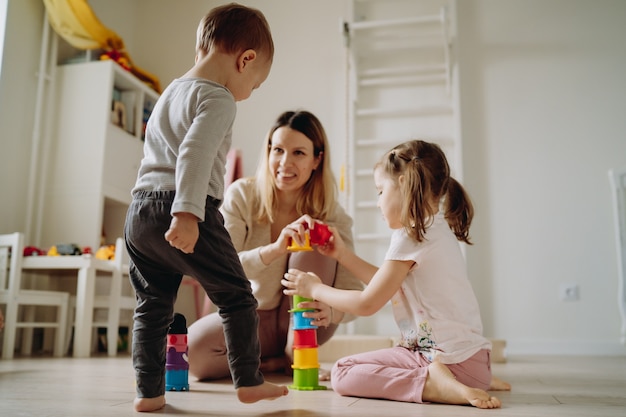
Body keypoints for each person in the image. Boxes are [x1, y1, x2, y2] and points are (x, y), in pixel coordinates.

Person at [124, 4, 288, 412]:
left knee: (152, 305)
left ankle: (149, 392)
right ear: (244, 60)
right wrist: (187, 212)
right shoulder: (218, 98)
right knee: (237, 297)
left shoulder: (170, 92)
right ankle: (248, 380)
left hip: (140, 212)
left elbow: (159, 152)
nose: (250, 91)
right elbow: (194, 155)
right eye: (255, 82)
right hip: (182, 205)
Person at [282, 139, 510, 409]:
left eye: (380, 191)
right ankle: (469, 379)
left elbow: (368, 303)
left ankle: (433, 383)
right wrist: (342, 255)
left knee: (342, 372)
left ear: (403, 184)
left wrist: (314, 289)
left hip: (444, 360)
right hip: (474, 361)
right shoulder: (434, 228)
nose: (378, 202)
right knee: (357, 367)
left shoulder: (410, 235)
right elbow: (388, 284)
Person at [188, 110, 364, 381]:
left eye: (299, 153)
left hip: (309, 321)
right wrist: (275, 250)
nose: (285, 162)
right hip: (251, 315)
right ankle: (274, 361)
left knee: (316, 236)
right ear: (268, 152)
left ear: (318, 159)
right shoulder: (242, 196)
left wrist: (333, 310)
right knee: (194, 355)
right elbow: (221, 268)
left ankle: (296, 350)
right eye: (278, 150)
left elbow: (354, 290)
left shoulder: (333, 216)